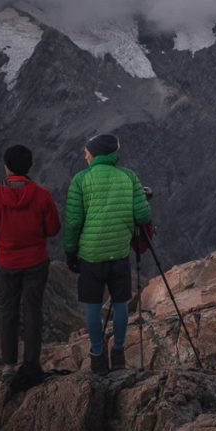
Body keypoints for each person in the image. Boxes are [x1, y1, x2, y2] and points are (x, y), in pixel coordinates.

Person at [64, 133, 151, 374]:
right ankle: (119, 353)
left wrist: (71, 252)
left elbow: (73, 222)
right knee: (120, 302)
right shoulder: (129, 176)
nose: (84, 155)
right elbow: (143, 216)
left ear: (96, 154)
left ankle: (98, 356)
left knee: (93, 305)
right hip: (119, 253)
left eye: (87, 151)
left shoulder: (81, 180)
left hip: (90, 255)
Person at [0, 144, 60, 389]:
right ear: (29, 167)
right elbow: (53, 228)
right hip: (36, 262)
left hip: (7, 261)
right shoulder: (42, 195)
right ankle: (32, 364)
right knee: (33, 312)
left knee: (8, 312)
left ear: (7, 167)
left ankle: (8, 366)